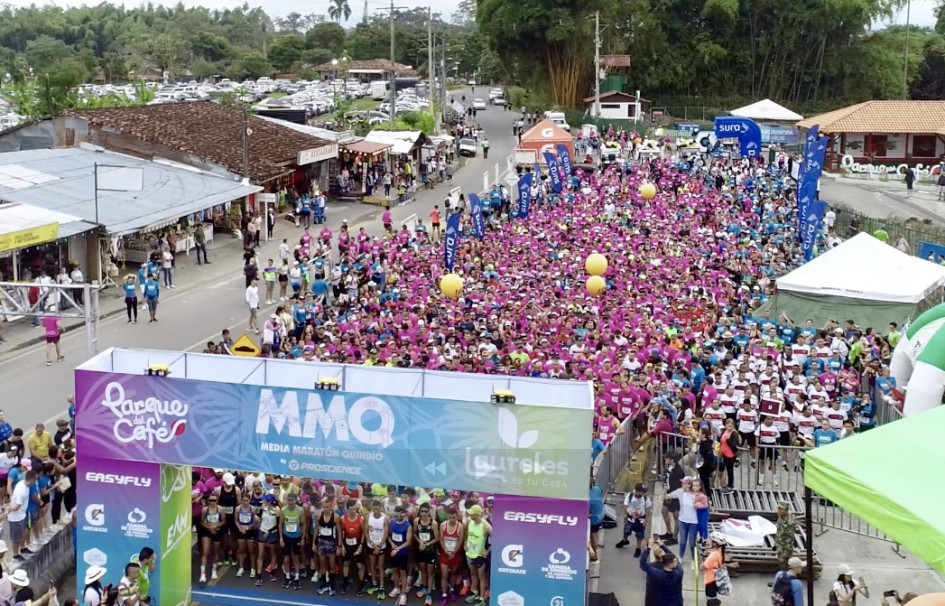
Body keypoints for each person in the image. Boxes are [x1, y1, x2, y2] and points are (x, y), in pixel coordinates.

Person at [639, 537, 683, 606]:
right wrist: (662, 546)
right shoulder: (679, 572)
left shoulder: (657, 574)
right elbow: (674, 558)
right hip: (677, 603)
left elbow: (642, 562)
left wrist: (648, 548)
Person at [463, 504, 491, 606]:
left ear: (477, 514)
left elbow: (497, 538)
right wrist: (465, 542)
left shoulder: (486, 525)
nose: (469, 515)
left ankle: (482, 599)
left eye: (471, 514)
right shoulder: (470, 521)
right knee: (473, 574)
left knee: (481, 577)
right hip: (469, 553)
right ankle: (475, 593)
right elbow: (466, 532)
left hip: (479, 556)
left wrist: (487, 551)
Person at [616, 483, 651, 556]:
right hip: (630, 518)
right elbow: (625, 506)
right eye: (641, 491)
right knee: (626, 530)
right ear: (637, 491)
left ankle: (638, 548)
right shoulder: (630, 496)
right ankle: (624, 540)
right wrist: (625, 516)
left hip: (641, 519)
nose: (642, 493)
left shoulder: (645, 498)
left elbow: (648, 509)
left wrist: (646, 520)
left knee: (640, 534)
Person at [387, 505, 413, 606]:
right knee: (394, 570)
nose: (398, 517)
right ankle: (396, 588)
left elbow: (408, 542)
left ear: (404, 514)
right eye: (397, 515)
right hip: (393, 551)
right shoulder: (392, 522)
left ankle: (403, 594)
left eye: (400, 515)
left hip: (402, 552)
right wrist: (392, 544)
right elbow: (389, 536)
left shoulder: (408, 526)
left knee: (403, 573)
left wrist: (397, 549)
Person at [7, 470, 35, 560]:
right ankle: (15, 555)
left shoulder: (22, 483)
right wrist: (8, 508)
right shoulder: (21, 492)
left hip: (22, 515)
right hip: (16, 518)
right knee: (16, 538)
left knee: (22, 534)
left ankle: (23, 548)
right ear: (32, 480)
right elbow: (16, 507)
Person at [702, 532, 727, 605]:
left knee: (711, 601)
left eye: (710, 540)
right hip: (716, 579)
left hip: (710, 581)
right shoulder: (719, 552)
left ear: (715, 543)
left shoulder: (712, 556)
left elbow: (703, 567)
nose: (708, 541)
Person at [775, 500, 797, 572]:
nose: (778, 510)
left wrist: (785, 553)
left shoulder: (789, 523)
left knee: (784, 566)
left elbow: (790, 539)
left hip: (785, 548)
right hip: (780, 546)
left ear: (786, 511)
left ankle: (784, 581)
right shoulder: (781, 517)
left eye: (781, 509)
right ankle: (780, 580)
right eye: (778, 508)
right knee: (780, 564)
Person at [588, 479, 604, 559]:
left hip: (594, 519)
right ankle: (595, 551)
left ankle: (594, 554)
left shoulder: (588, 498)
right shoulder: (597, 488)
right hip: (600, 514)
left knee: (593, 536)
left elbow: (586, 514)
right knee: (595, 535)